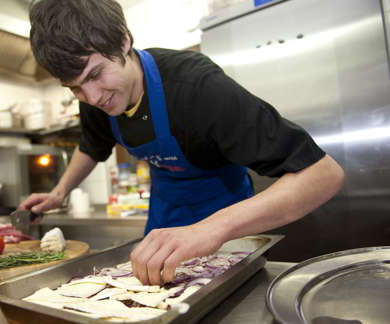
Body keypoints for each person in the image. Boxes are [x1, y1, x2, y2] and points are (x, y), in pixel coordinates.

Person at [20, 0, 345, 285]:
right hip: (165, 215)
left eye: (94, 75)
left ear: (123, 40)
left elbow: (323, 175)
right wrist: (59, 192)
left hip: (227, 216)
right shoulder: (94, 99)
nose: (91, 97)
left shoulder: (198, 87)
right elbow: (92, 146)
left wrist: (210, 229)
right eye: (73, 88)